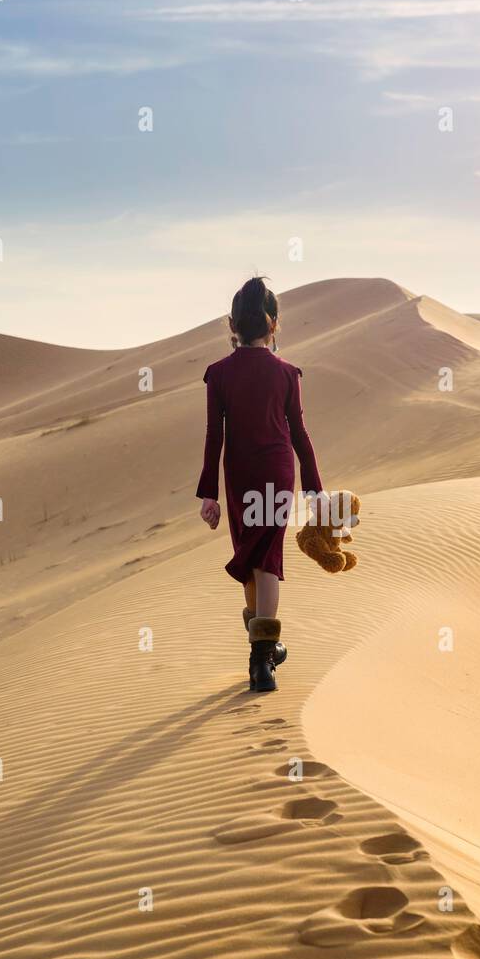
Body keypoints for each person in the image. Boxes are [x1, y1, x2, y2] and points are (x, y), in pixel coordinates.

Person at [196, 276, 323, 692]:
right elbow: (300, 434)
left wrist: (209, 495)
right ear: (274, 325)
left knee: (258, 557)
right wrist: (313, 488)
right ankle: (265, 656)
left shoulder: (218, 374)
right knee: (261, 559)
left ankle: (262, 656)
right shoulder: (287, 373)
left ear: (232, 325)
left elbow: (214, 436)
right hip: (277, 473)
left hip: (240, 476)